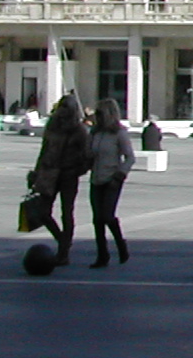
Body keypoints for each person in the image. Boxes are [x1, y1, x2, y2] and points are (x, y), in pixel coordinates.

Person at [31, 93, 90, 267]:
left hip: (68, 174)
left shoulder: (79, 130)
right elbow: (44, 150)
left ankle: (64, 252)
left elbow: (86, 155)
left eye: (67, 107)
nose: (63, 111)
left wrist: (78, 170)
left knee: (67, 212)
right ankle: (63, 240)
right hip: (49, 173)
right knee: (43, 212)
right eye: (62, 106)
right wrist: (36, 172)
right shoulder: (52, 126)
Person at [86, 97, 135, 268]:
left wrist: (120, 174)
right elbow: (88, 154)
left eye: (101, 114)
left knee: (107, 215)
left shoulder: (119, 133)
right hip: (96, 178)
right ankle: (102, 254)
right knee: (97, 219)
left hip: (112, 178)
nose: (98, 117)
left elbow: (129, 157)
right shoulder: (95, 133)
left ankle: (121, 245)